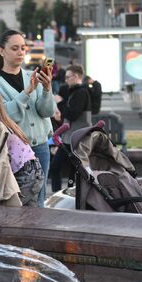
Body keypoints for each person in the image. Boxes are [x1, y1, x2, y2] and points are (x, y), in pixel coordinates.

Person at [0, 29, 55, 207]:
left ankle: (37, 234)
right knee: (18, 200)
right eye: (15, 48)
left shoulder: (30, 76)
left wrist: (47, 89)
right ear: (1, 51)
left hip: (40, 146)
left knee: (39, 199)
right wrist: (26, 93)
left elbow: (46, 112)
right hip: (15, 150)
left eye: (23, 48)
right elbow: (7, 114)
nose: (21, 52)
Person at [50, 64, 91, 193]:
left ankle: (71, 196)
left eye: (68, 77)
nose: (66, 80)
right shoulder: (74, 92)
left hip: (77, 138)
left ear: (77, 76)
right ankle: (60, 195)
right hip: (70, 138)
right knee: (57, 168)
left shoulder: (82, 92)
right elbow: (69, 115)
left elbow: (72, 115)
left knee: (72, 171)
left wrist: (60, 102)